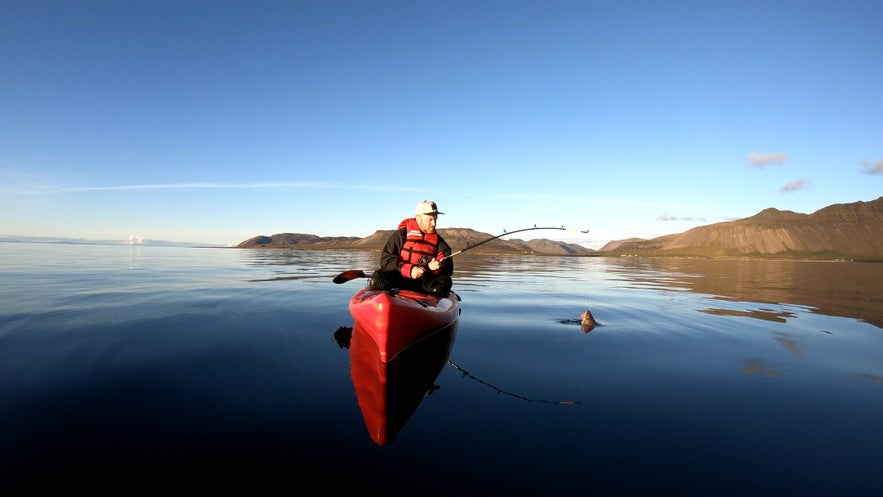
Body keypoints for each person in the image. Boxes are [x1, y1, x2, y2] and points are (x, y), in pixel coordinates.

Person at [368, 200, 454, 297]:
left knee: (445, 281)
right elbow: (386, 261)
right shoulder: (401, 235)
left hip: (423, 284)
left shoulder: (440, 243)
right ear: (418, 218)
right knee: (379, 275)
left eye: (435, 219)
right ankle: (385, 298)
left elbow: (448, 270)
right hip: (399, 278)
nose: (434, 223)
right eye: (429, 220)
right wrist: (409, 270)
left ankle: (431, 303)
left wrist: (437, 268)